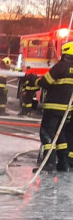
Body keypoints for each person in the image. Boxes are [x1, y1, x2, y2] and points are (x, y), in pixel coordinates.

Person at [38, 41, 73, 172]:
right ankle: (63, 164)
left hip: (53, 108)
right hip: (67, 110)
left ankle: (49, 164)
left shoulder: (60, 67)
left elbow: (44, 82)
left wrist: (34, 80)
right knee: (61, 135)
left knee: (46, 133)